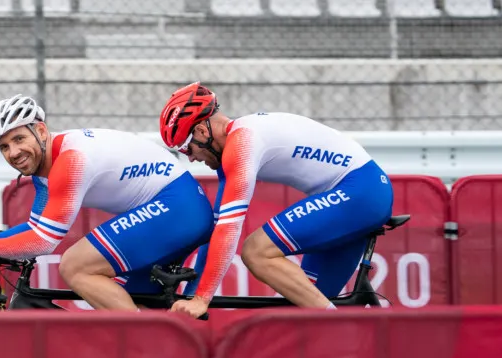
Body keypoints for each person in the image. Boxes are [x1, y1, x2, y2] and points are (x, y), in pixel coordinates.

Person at [0, 93, 215, 311]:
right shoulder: (45, 170)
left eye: (19, 138)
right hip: (178, 209)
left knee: (75, 266)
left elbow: (43, 241)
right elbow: (34, 229)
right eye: (4, 147)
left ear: (41, 131)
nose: (14, 152)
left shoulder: (70, 161)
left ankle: (138, 340)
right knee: (127, 301)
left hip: (178, 207)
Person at [158, 81, 394, 319]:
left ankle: (339, 326)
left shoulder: (240, 144)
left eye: (187, 149)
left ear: (201, 131)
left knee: (256, 252)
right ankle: (350, 334)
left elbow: (229, 229)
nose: (191, 159)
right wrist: (191, 297)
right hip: (361, 192)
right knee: (308, 313)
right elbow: (217, 230)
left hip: (359, 191)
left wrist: (201, 299)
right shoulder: (231, 147)